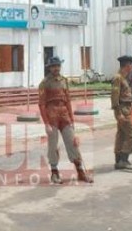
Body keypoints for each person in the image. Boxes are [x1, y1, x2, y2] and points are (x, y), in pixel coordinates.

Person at [38, 56, 93, 184]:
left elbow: (68, 100)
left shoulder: (64, 81)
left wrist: (72, 119)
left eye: (58, 66)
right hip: (52, 115)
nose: (56, 68)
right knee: (53, 145)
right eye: (53, 66)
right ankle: (54, 173)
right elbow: (41, 104)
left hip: (64, 114)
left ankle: (80, 171)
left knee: (72, 142)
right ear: (49, 68)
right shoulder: (44, 83)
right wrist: (46, 123)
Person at [111, 55, 132, 171]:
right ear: (127, 65)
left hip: (127, 108)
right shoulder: (118, 78)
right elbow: (114, 97)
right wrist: (119, 114)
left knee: (121, 135)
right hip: (122, 110)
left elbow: (126, 93)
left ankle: (118, 161)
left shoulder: (124, 78)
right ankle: (124, 159)